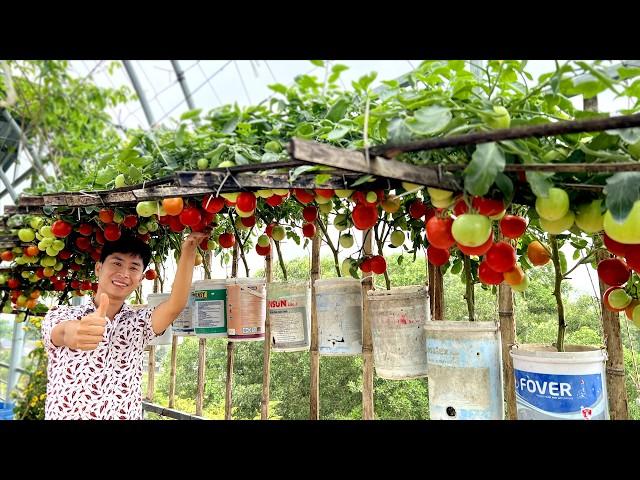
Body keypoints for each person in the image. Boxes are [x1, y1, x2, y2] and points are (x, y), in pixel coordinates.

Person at [41, 231, 209, 420]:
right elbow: (63, 332)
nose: (124, 273)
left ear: (140, 279)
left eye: (134, 267)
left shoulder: (139, 322)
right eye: (117, 263)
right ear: (98, 268)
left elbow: (175, 305)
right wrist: (77, 332)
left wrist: (189, 249)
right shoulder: (61, 314)